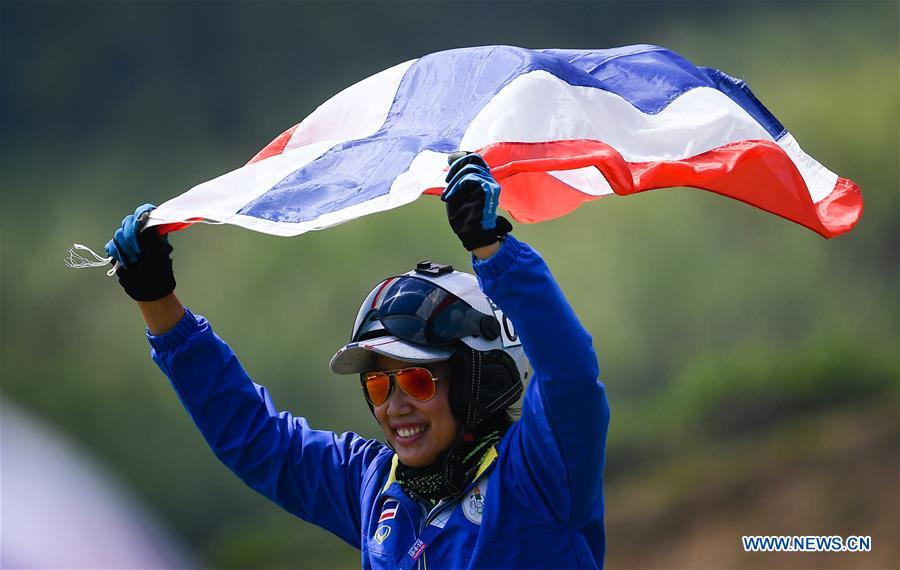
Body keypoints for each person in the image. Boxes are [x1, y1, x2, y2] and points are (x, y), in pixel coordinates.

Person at [106, 153, 611, 569]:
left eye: (415, 380)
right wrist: (158, 303)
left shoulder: (541, 471)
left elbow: (569, 374)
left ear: (478, 381)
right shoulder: (375, 485)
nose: (393, 407)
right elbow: (257, 441)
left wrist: (492, 250)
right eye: (377, 386)